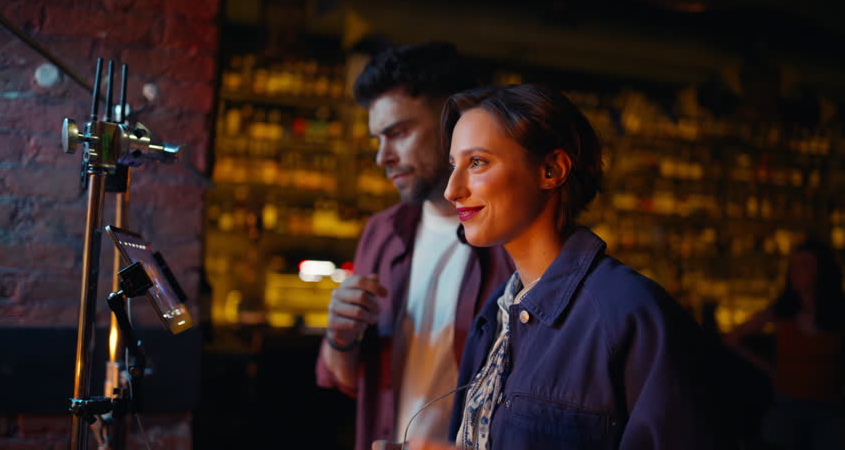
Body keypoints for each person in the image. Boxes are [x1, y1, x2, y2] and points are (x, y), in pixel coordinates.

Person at [435, 84, 755, 449]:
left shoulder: (632, 315)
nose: (451, 190)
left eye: (477, 162)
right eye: (453, 165)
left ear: (551, 170)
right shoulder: (494, 316)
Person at [315, 42, 515, 450]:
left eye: (399, 133)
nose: (382, 157)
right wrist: (340, 335)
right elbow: (350, 381)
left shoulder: (514, 240)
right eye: (378, 140)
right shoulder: (382, 233)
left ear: (455, 126)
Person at [725, 237, 843, 450]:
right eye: (793, 266)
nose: (796, 271)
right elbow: (733, 338)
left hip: (829, 407)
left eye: (804, 265)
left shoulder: (837, 314)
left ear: (822, 270)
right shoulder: (782, 311)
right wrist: (769, 369)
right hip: (788, 405)